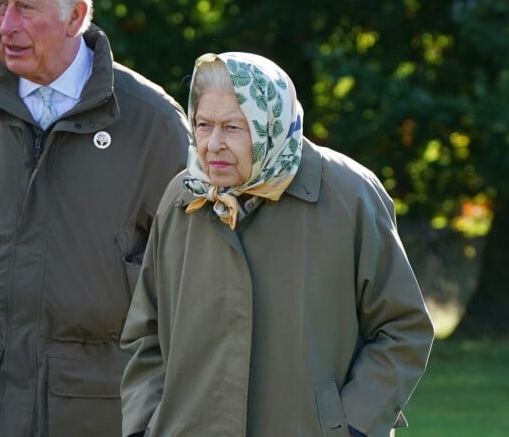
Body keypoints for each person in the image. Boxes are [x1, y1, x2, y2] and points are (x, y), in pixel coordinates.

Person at [0, 0, 189, 437]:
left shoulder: (152, 122)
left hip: (94, 405)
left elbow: (194, 253)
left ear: (76, 16)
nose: (6, 25)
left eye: (26, 7)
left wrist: (120, 285)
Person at [120, 52, 434, 437]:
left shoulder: (349, 196)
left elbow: (402, 328)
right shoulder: (182, 197)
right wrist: (145, 426)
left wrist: (353, 426)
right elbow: (145, 335)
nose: (213, 144)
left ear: (270, 124)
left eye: (233, 128)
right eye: (203, 125)